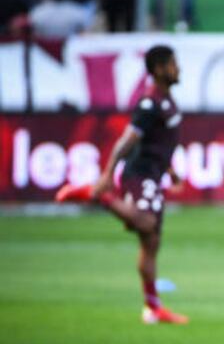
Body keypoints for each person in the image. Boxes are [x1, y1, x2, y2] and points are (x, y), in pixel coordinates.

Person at [55, 45, 188, 325]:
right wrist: (107, 174)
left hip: (153, 172)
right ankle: (97, 195)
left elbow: (158, 142)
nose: (178, 69)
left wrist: (170, 170)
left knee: (151, 241)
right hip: (139, 175)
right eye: (173, 64)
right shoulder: (149, 103)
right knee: (147, 224)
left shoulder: (166, 101)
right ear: (160, 69)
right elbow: (127, 140)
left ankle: (153, 308)